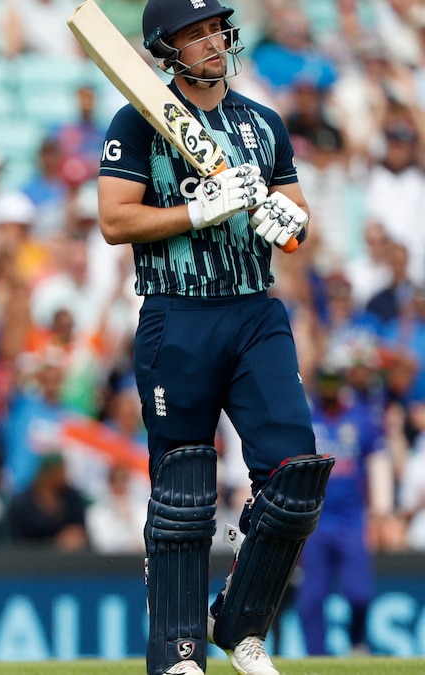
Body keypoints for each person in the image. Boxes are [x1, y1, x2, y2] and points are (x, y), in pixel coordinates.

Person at [97, 2, 333, 674]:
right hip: (178, 312)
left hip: (256, 310)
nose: (211, 41)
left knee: (295, 474)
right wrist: (197, 209)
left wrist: (290, 218)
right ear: (165, 49)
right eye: (194, 33)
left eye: (215, 28)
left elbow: (297, 215)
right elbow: (114, 220)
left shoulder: (262, 122)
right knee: (184, 486)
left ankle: (241, 624)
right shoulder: (137, 120)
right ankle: (179, 650)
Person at [295, 361, 391, 656]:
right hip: (315, 522)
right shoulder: (306, 419)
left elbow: (377, 463)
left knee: (360, 594)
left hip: (351, 519)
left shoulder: (360, 418)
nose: (328, 389)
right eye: (323, 382)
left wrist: (381, 512)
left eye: (333, 382)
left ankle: (357, 643)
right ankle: (317, 658)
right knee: (312, 597)